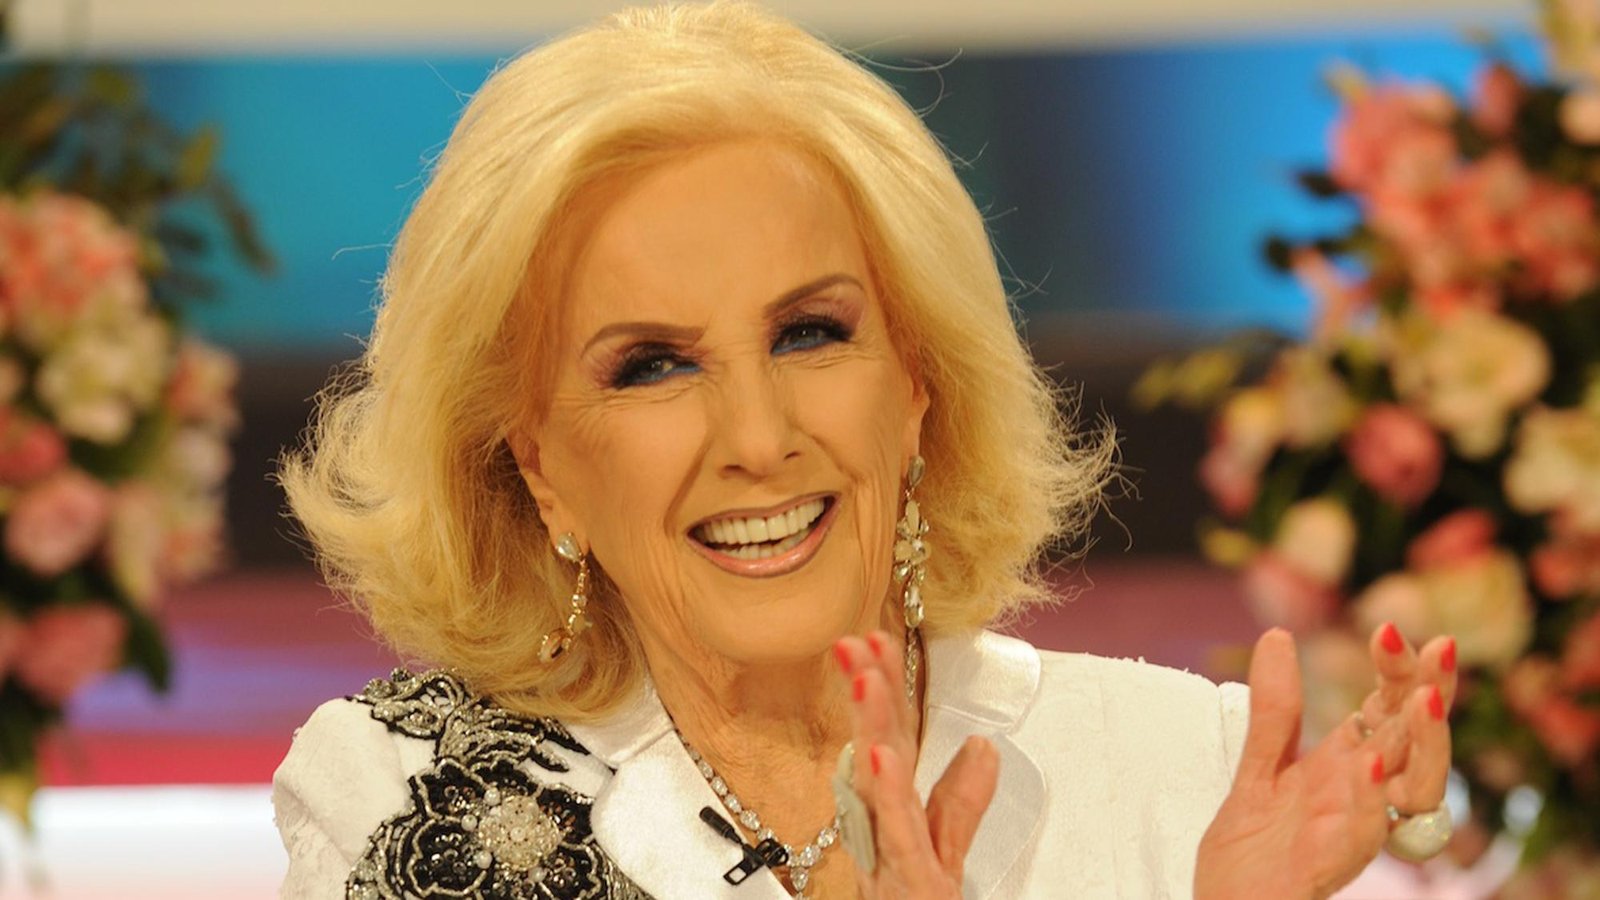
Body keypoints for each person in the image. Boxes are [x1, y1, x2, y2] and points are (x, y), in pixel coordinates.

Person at [271, 3, 1459, 897]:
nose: (758, 438)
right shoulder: (403, 794)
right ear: (536, 466)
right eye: (653, 366)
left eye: (809, 334)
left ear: (919, 385)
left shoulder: (1181, 776)